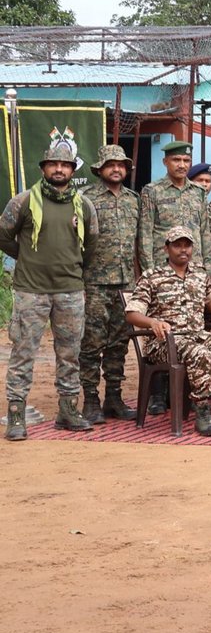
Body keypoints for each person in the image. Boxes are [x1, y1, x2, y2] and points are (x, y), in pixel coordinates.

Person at [1, 140, 100, 438]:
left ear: (72, 170)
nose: (59, 169)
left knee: (70, 353)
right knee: (23, 352)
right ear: (44, 168)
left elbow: (91, 245)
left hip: (69, 290)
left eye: (65, 165)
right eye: (54, 164)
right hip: (31, 290)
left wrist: (71, 267)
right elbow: (4, 235)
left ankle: (68, 410)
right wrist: (28, 257)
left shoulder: (84, 205)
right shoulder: (23, 201)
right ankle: (16, 414)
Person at [123, 226, 211, 436]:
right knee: (199, 353)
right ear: (166, 248)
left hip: (198, 336)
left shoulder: (198, 274)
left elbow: (209, 296)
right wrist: (152, 323)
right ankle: (202, 411)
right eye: (177, 245)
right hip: (164, 342)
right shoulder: (152, 277)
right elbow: (131, 313)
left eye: (187, 245)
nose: (183, 250)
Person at [80, 144, 140, 424]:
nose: (116, 169)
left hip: (126, 284)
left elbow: (140, 244)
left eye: (121, 165)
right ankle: (90, 399)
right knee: (91, 343)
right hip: (94, 283)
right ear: (100, 169)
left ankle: (113, 398)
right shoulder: (85, 199)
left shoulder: (133, 200)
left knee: (119, 342)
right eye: (111, 165)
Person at [138, 139, 211, 277]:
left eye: (186, 160)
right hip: (163, 267)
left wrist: (207, 270)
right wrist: (149, 271)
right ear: (165, 162)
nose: (182, 165)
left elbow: (205, 233)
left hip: (195, 267)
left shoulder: (198, 192)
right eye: (176, 160)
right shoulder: (152, 191)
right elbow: (145, 234)